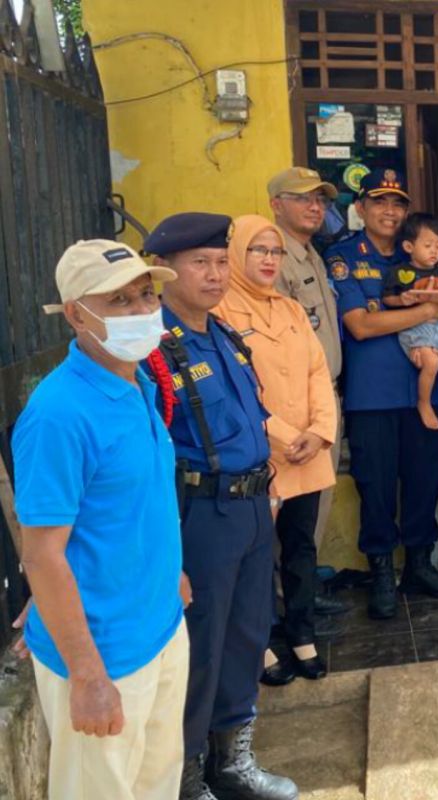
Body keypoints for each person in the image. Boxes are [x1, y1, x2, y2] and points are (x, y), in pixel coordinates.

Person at [13, 241, 187, 800]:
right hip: (103, 653)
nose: (141, 311)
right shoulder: (58, 414)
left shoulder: (138, 384)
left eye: (145, 294)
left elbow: (133, 505)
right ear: (75, 314)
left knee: (157, 782)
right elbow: (41, 552)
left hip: (159, 626)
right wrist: (86, 675)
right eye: (118, 300)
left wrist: (169, 575)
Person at [144, 213, 297, 800]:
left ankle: (232, 762)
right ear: (166, 272)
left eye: (217, 261)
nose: (213, 275)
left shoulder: (223, 335)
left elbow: (248, 420)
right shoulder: (154, 347)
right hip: (201, 513)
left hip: (254, 507)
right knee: (200, 644)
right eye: (198, 264)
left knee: (246, 633)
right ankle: (185, 777)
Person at [324, 169, 438, 620]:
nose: (390, 211)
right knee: (377, 487)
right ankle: (382, 570)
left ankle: (420, 564)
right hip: (373, 396)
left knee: (426, 481)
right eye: (379, 202)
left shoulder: (423, 257)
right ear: (360, 208)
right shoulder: (345, 257)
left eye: (398, 204)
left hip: (425, 393)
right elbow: (360, 326)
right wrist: (425, 309)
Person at [214, 215, 338, 686]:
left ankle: (301, 632)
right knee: (257, 553)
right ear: (238, 254)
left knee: (301, 547)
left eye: (275, 252)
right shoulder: (221, 312)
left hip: (309, 451)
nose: (269, 260)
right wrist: (288, 437)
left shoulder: (288, 309)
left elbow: (316, 372)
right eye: (258, 250)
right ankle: (260, 640)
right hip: (261, 455)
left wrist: (322, 431)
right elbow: (235, 392)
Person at [267, 167, 344, 606]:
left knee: (317, 501)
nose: (315, 207)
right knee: (295, 507)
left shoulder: (312, 254)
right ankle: (286, 596)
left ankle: (301, 586)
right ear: (277, 204)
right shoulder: (275, 260)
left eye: (320, 199)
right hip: (297, 403)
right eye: (302, 199)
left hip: (324, 396)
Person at [381, 212, 438, 445]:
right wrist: (403, 300)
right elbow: (387, 299)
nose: (434, 251)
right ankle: (424, 402)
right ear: (409, 246)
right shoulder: (400, 273)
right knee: (431, 363)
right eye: (428, 245)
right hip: (414, 329)